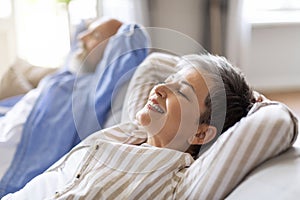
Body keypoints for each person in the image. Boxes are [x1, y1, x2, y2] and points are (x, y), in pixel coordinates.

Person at [2, 53, 255, 199]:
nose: (160, 89)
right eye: (170, 80)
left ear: (201, 132)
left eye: (182, 92)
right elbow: (154, 63)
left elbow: (276, 126)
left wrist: (257, 103)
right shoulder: (133, 129)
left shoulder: (180, 179)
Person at [0, 18, 149, 197]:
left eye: (95, 35)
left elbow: (132, 38)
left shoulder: (94, 89)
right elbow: (77, 46)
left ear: (111, 49)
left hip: (13, 156)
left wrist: (125, 29)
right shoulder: (71, 74)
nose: (81, 37)